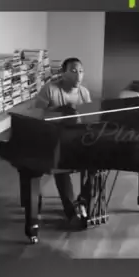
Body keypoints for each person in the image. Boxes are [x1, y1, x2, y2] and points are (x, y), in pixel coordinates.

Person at [35, 58, 91, 224]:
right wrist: (62, 114)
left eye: (81, 71)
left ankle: (84, 202)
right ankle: (70, 211)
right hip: (53, 141)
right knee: (61, 165)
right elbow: (37, 116)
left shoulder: (84, 93)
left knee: (97, 164)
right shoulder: (49, 89)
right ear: (63, 73)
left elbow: (89, 121)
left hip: (77, 141)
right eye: (73, 71)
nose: (78, 75)